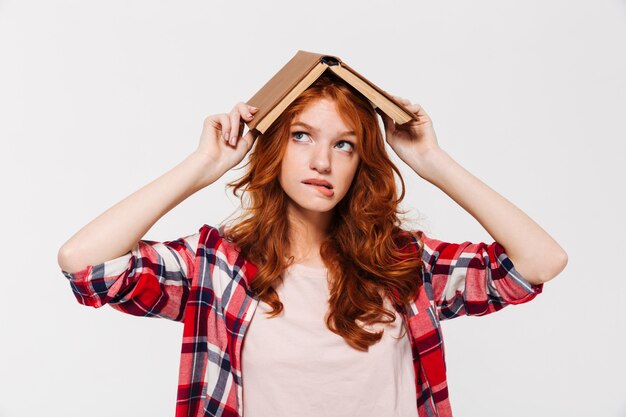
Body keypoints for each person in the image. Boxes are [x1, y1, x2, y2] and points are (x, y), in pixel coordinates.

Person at [58, 72, 567, 417]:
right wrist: (202, 167)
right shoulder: (218, 266)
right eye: (302, 136)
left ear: (359, 162)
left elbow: (540, 261)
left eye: (343, 144)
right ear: (275, 148)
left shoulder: (405, 265)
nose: (322, 161)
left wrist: (432, 160)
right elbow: (84, 263)